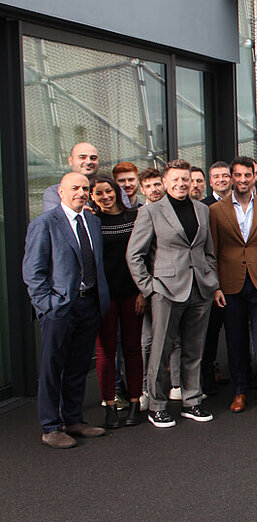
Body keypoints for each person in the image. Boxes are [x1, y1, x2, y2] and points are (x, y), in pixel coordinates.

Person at [125, 160, 218, 428]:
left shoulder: (202, 209)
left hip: (200, 288)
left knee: (193, 349)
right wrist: (149, 287)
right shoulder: (151, 212)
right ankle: (157, 406)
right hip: (165, 290)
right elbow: (134, 255)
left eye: (185, 179)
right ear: (165, 183)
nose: (180, 184)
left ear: (192, 182)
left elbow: (207, 250)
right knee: (161, 350)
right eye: (175, 180)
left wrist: (210, 276)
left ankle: (191, 401)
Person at [24, 172, 111, 447]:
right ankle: (51, 426)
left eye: (85, 189)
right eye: (75, 188)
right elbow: (33, 273)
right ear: (60, 191)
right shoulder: (44, 224)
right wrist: (49, 306)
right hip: (60, 308)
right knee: (52, 368)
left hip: (89, 304)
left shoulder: (93, 222)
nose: (81, 193)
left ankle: (74, 419)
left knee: (77, 367)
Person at [209, 157, 257, 413]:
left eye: (247, 175)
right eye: (238, 175)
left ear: (255, 178)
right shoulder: (216, 210)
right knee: (235, 339)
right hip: (230, 284)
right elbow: (212, 251)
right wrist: (216, 286)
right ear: (231, 178)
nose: (243, 180)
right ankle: (240, 391)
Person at [90, 176, 145, 428]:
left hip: (133, 293)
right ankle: (110, 406)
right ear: (92, 196)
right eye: (99, 193)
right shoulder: (91, 222)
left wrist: (144, 292)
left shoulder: (134, 217)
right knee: (106, 351)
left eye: (109, 191)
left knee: (133, 349)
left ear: (117, 192)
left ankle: (135, 403)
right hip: (105, 296)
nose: (105, 197)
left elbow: (146, 255)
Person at [41, 143, 100, 213]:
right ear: (70, 161)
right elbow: (53, 219)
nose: (88, 162)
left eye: (93, 158)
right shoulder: (55, 193)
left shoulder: (108, 191)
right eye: (82, 157)